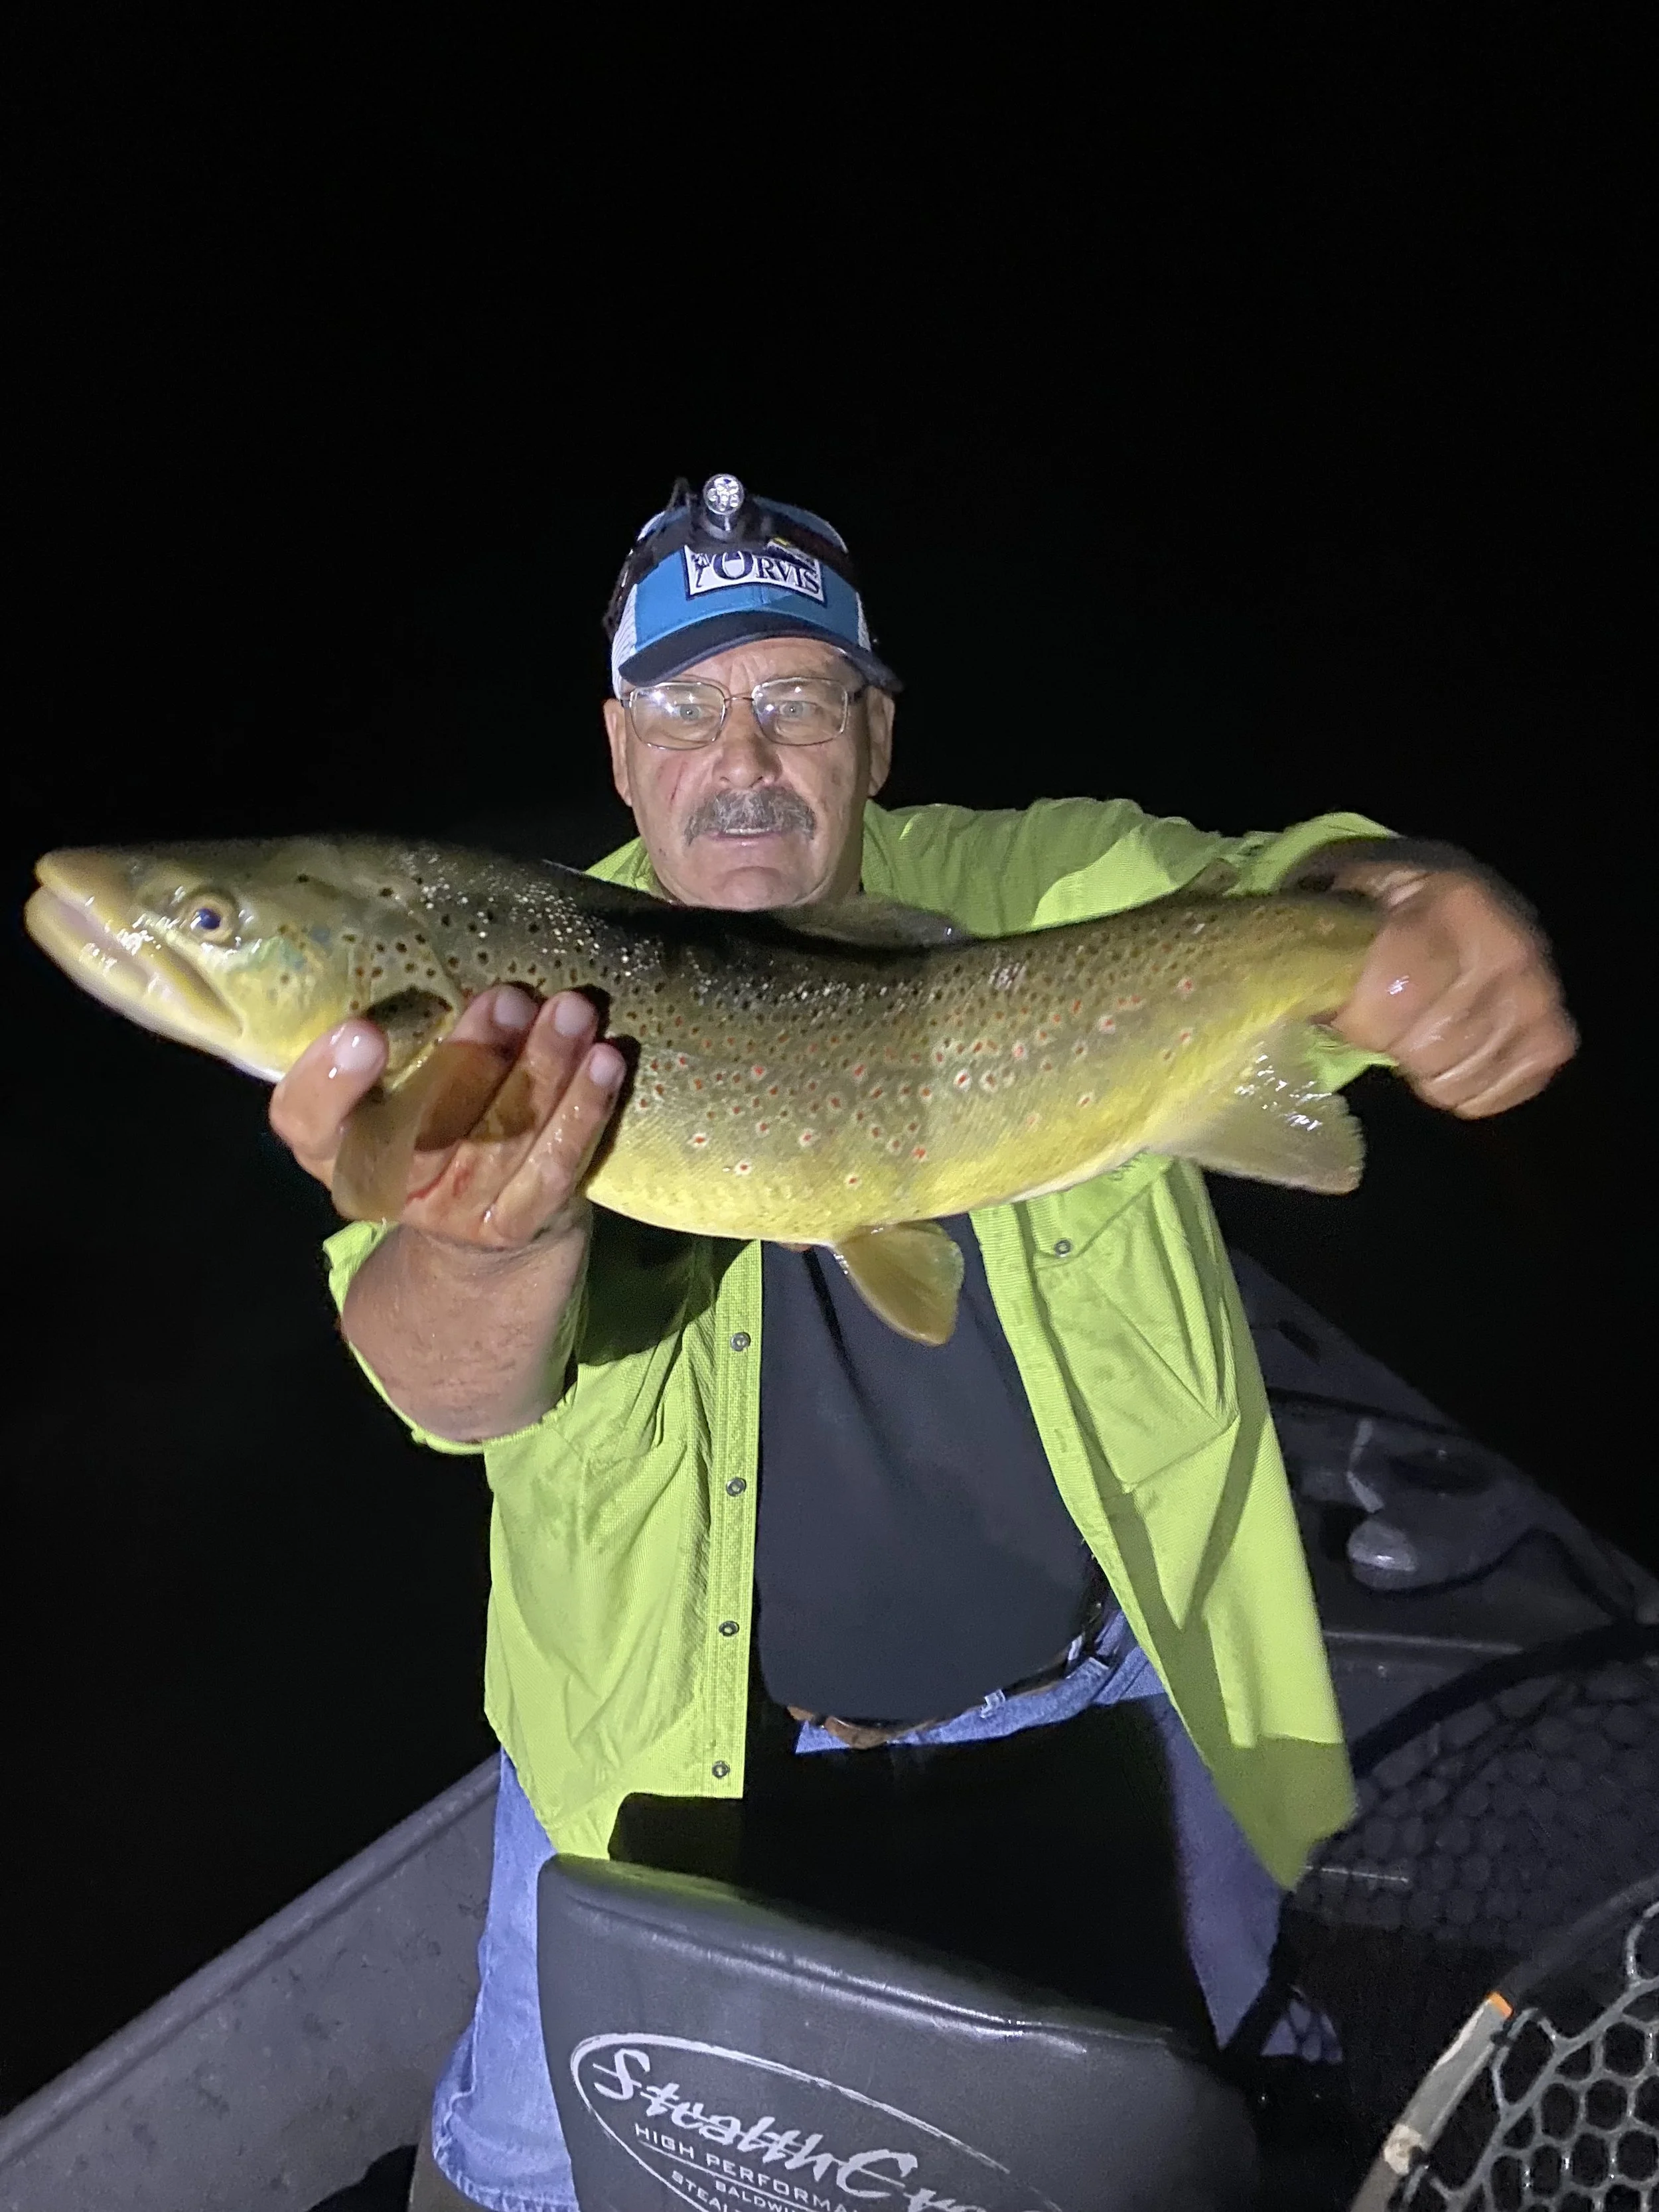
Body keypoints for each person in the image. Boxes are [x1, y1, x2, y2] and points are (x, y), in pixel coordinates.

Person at [271, 477, 1575, 2211]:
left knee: (1177, 2129)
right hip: (659, 1750)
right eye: (684, 706)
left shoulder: (1033, 886)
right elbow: (442, 1379)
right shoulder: (514, 984)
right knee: (512, 2177)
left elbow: (1265, 891)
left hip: (1109, 1697)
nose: (741, 755)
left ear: (873, 734)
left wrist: (1409, 899)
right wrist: (488, 1236)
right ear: (617, 744)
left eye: (796, 702)